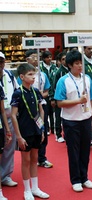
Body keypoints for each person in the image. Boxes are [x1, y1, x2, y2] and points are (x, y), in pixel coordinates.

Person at [54, 50, 92, 192]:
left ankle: (84, 177)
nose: (80, 66)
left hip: (86, 119)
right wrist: (78, 100)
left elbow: (91, 100)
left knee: (85, 150)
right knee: (73, 151)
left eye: (81, 63)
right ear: (70, 65)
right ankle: (76, 180)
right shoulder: (63, 80)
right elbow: (59, 103)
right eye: (77, 63)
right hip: (70, 121)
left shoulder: (87, 78)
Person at [11, 63, 49, 200]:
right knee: (25, 160)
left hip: (37, 130)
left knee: (34, 159)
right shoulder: (18, 93)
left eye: (34, 74)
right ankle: (27, 190)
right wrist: (19, 136)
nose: (33, 77)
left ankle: (35, 188)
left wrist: (42, 128)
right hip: (25, 132)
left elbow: (41, 110)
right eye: (30, 75)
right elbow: (13, 115)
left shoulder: (36, 91)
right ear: (22, 77)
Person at [21, 50, 53, 169]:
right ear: (27, 59)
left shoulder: (43, 74)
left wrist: (38, 95)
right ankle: (28, 158)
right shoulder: (22, 75)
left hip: (41, 106)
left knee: (42, 132)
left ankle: (42, 158)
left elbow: (47, 91)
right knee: (29, 133)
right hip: (27, 109)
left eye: (37, 57)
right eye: (33, 57)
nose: (36, 59)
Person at [0, 52, 19, 188]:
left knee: (9, 147)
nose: (0, 64)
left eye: (2, 61)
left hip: (9, 116)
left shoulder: (9, 75)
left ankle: (5, 175)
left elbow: (17, 92)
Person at [49, 52, 67, 143]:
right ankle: (58, 134)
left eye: (66, 58)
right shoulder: (58, 72)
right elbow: (53, 86)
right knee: (58, 116)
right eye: (63, 59)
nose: (65, 61)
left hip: (69, 99)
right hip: (59, 98)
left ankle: (66, 134)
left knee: (66, 117)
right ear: (59, 61)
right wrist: (53, 98)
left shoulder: (71, 70)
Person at [40, 51, 57, 135]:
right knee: (45, 112)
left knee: (52, 112)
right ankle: (46, 128)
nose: (49, 59)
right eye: (47, 57)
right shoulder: (40, 68)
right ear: (43, 58)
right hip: (44, 93)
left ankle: (53, 129)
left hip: (52, 92)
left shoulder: (54, 67)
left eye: (50, 57)